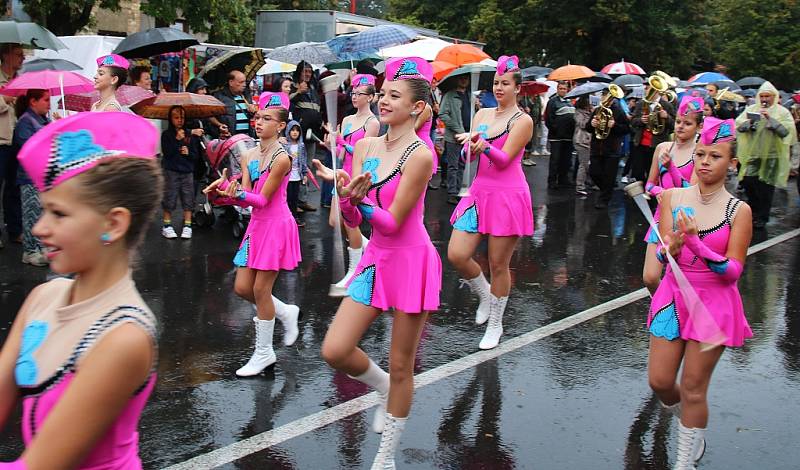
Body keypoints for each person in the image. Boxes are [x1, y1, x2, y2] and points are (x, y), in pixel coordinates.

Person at [0, 112, 163, 469]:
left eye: (58, 214)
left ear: (114, 223)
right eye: (44, 211)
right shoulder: (43, 298)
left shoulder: (124, 336)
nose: (40, 228)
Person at [320, 57, 440, 469]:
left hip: (410, 260)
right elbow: (356, 222)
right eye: (382, 93)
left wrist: (361, 202)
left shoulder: (420, 155)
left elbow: (391, 222)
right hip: (376, 259)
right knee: (335, 349)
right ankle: (380, 385)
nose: (383, 101)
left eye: (394, 95)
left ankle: (385, 456)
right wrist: (349, 203)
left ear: (417, 107)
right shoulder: (367, 146)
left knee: (403, 363)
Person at [647, 117, 752, 470]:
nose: (705, 161)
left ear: (731, 164)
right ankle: (691, 421)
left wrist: (696, 243)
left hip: (714, 304)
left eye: (715, 156)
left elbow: (733, 271)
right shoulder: (673, 197)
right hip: (673, 297)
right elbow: (664, 256)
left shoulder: (738, 211)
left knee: (693, 388)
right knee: (660, 381)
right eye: (701, 154)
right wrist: (672, 247)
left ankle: (685, 458)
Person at [204, 92, 301, 377]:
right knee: (242, 288)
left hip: (276, 225)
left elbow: (262, 199)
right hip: (256, 227)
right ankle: (285, 312)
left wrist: (238, 191)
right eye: (258, 117)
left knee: (261, 290)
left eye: (267, 119)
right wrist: (223, 191)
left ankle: (264, 353)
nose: (259, 122)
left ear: (281, 125)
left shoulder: (283, 158)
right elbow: (246, 199)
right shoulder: (248, 155)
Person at [448, 55, 534, 350]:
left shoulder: (523, 120)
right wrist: (469, 150)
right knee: (457, 254)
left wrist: (482, 145)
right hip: (479, 192)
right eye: (496, 83)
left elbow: (504, 159)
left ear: (517, 88)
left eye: (505, 84)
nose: (499, 88)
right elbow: (469, 159)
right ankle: (484, 293)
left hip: (507, 195)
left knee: (499, 264)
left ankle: (496, 323)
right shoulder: (481, 114)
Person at [318, 73, 379, 293]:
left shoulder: (373, 123)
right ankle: (367, 247)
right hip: (343, 173)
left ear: (371, 97)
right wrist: (331, 145)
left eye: (359, 93)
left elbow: (364, 152)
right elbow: (342, 153)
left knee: (349, 222)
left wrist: (343, 141)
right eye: (353, 92)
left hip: (357, 176)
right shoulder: (347, 120)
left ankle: (354, 269)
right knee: (335, 221)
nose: (354, 96)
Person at [642, 96, 703, 294]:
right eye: (678, 122)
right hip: (661, 218)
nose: (681, 127)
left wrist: (671, 167)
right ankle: (662, 307)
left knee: (678, 279)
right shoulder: (662, 148)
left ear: (699, 127)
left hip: (684, 221)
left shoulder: (700, 153)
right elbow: (649, 185)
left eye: (688, 123)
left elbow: (690, 190)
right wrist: (659, 191)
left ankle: (674, 315)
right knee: (650, 278)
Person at [735, 81, 798, 229]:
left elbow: (787, 132)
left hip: (772, 156)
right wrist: (750, 123)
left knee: (765, 187)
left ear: (774, 97)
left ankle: (762, 216)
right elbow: (739, 126)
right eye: (762, 96)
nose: (764, 99)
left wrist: (772, 121)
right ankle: (754, 211)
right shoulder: (751, 109)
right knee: (749, 181)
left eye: (767, 96)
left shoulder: (782, 112)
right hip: (754, 154)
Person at [12, 89, 51, 266]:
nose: (49, 103)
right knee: (31, 215)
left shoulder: (45, 120)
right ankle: (30, 251)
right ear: (33, 102)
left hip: (42, 176)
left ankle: (41, 246)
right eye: (45, 100)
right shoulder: (25, 122)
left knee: (42, 214)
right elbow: (28, 148)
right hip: (29, 177)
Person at [586, 87, 631, 209]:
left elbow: (627, 129)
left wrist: (615, 125)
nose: (605, 98)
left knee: (609, 176)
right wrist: (592, 124)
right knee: (594, 172)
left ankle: (604, 199)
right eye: (604, 95)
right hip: (597, 148)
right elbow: (588, 127)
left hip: (612, 149)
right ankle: (607, 190)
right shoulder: (597, 110)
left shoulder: (619, 111)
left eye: (608, 96)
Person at [161, 106, 199, 240]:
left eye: (182, 117)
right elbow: (167, 153)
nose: (179, 120)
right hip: (171, 170)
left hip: (187, 171)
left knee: (188, 198)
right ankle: (167, 225)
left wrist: (189, 153)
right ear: (170, 119)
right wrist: (177, 140)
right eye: (176, 118)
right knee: (169, 197)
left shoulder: (190, 135)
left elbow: (196, 155)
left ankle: (187, 226)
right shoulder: (166, 134)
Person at [0, 43, 24, 247]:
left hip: (16, 140)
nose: (22, 58)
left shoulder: (20, 81)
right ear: (6, 55)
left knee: (14, 188)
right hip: (0, 141)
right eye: (18, 54)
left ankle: (15, 230)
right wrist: (4, 99)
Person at [629, 84, 676, 183]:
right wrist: (641, 120)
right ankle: (643, 192)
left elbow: (674, 125)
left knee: (654, 173)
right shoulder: (641, 103)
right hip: (640, 144)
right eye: (646, 88)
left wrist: (666, 117)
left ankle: (651, 194)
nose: (646, 90)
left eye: (648, 88)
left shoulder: (667, 105)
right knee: (638, 173)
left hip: (657, 145)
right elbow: (632, 121)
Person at [439, 74, 470, 205]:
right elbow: (442, 114)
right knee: (453, 166)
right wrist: (458, 129)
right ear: (457, 80)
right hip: (454, 137)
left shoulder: (470, 95)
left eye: (466, 78)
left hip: (468, 136)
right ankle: (452, 193)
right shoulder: (450, 95)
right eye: (462, 78)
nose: (464, 80)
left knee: (462, 165)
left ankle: (458, 191)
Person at [544, 81, 576, 189]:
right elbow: (548, 119)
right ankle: (552, 181)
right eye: (561, 88)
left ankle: (563, 179)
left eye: (564, 89)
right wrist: (555, 130)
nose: (563, 90)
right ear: (557, 89)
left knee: (566, 160)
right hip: (556, 137)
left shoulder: (570, 102)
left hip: (568, 137)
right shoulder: (552, 102)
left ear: (567, 90)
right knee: (555, 160)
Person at [211, 70, 257, 138]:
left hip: (247, 138)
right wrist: (219, 125)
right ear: (231, 82)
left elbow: (250, 117)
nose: (244, 85)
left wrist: (252, 111)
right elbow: (210, 116)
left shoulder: (246, 96)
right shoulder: (219, 97)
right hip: (229, 139)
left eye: (245, 82)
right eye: (241, 82)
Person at [283, 119, 307, 227]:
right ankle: (286, 218)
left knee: (294, 198)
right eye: (292, 130)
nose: (295, 132)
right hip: (286, 177)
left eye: (297, 130)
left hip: (297, 176)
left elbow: (304, 160)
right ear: (288, 131)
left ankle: (294, 217)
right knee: (287, 198)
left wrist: (304, 174)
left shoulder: (301, 146)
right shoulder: (284, 145)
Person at [572, 95, 593, 196]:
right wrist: (592, 119)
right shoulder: (578, 113)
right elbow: (582, 124)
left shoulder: (590, 112)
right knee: (583, 165)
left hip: (588, 141)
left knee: (586, 164)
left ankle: (586, 182)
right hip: (581, 141)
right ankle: (580, 186)